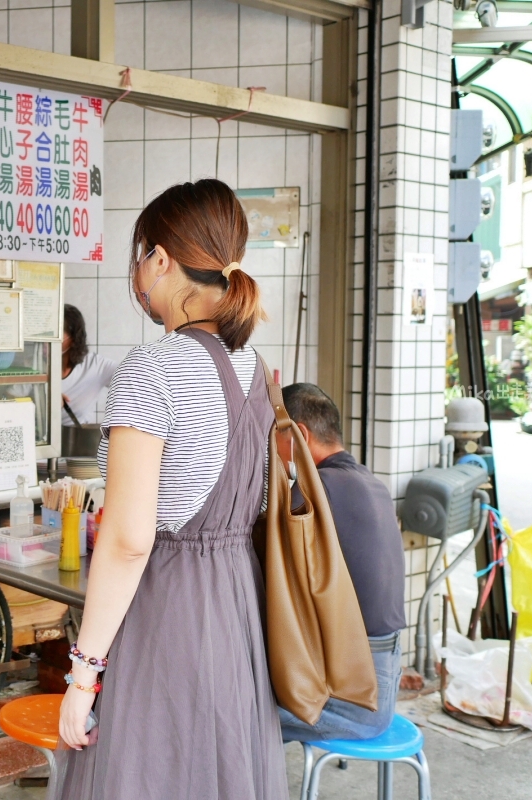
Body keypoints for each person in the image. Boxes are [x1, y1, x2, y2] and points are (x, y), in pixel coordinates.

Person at [57, 179, 288, 799]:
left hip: (166, 609)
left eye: (139, 256)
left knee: (146, 772)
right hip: (238, 604)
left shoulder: (152, 369)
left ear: (159, 260)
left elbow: (130, 542)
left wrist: (84, 676)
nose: (137, 272)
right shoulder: (255, 368)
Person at [277, 382, 406, 741]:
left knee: (235, 709)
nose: (269, 449)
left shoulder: (317, 490)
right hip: (383, 676)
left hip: (354, 699)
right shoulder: (370, 483)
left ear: (299, 434)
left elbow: (279, 576)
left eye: (273, 437)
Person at [61, 304, 117, 426]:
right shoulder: (35, 364)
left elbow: (133, 381)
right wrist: (45, 400)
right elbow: (12, 396)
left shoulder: (95, 366)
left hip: (76, 437)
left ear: (73, 337)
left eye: (57, 333)